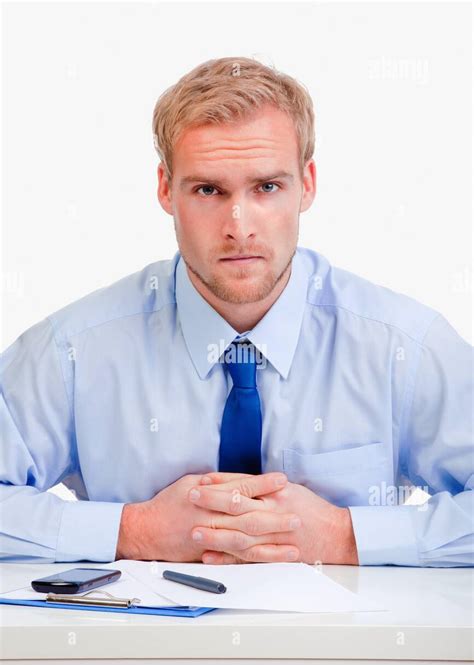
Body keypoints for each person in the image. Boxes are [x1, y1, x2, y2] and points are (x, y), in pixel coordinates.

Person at [1, 57, 472, 567]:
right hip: (135, 649)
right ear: (165, 189)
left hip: (347, 649)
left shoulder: (404, 345)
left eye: (267, 187)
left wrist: (346, 536)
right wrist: (129, 530)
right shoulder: (74, 349)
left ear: (307, 185)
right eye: (209, 190)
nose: (239, 226)